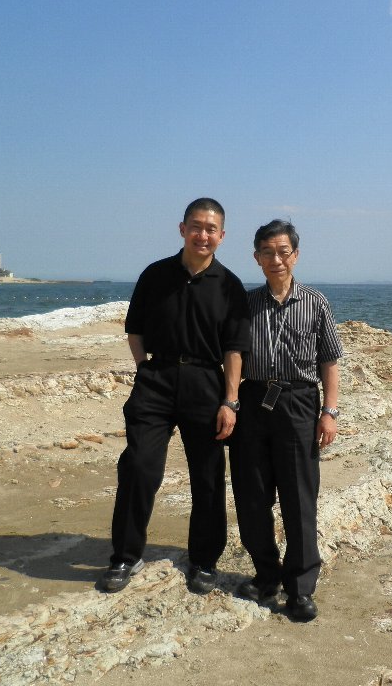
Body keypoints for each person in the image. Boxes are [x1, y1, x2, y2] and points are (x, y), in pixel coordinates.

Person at [99, 198, 250, 594]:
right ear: (182, 229)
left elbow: (234, 349)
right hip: (157, 379)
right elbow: (135, 330)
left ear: (222, 236)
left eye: (211, 229)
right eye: (196, 226)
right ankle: (125, 556)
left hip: (206, 383)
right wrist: (144, 370)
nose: (203, 235)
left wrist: (230, 401)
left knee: (208, 475)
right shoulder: (155, 275)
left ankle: (204, 560)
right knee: (139, 466)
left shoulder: (230, 286)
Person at [229, 219, 343, 621]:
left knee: (299, 498)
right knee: (252, 494)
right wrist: (230, 402)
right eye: (267, 252)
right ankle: (266, 576)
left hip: (298, 402)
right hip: (254, 400)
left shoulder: (316, 302)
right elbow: (233, 355)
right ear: (256, 257)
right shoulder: (245, 303)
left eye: (283, 252)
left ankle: (300, 587)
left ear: (295, 255)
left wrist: (329, 412)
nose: (275, 259)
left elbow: (329, 361)